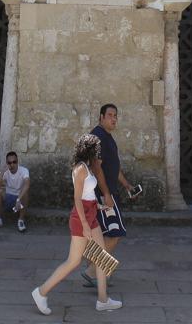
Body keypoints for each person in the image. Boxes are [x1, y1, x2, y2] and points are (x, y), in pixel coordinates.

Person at [31, 134, 122, 315]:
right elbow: (77, 200)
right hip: (81, 219)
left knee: (102, 258)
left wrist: (100, 206)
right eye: (96, 150)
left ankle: (103, 300)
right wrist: (85, 225)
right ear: (90, 150)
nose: (98, 153)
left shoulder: (87, 168)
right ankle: (41, 292)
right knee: (73, 262)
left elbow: (88, 196)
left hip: (92, 215)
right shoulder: (80, 169)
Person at [81, 103, 135, 288]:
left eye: (116, 115)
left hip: (104, 192)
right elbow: (96, 167)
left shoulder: (107, 137)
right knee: (115, 233)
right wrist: (106, 194)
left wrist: (126, 184)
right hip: (102, 194)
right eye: (110, 115)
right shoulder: (98, 137)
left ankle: (97, 273)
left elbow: (112, 167)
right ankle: (92, 272)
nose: (114, 118)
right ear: (101, 117)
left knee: (101, 235)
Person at [0, 150, 30, 232]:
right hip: (8, 198)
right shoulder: (5, 172)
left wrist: (19, 199)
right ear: (7, 163)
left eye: (14, 162)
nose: (12, 164)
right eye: (9, 163)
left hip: (19, 201)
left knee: (25, 193)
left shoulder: (24, 171)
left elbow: (27, 184)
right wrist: (2, 172)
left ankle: (21, 220)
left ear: (17, 161)